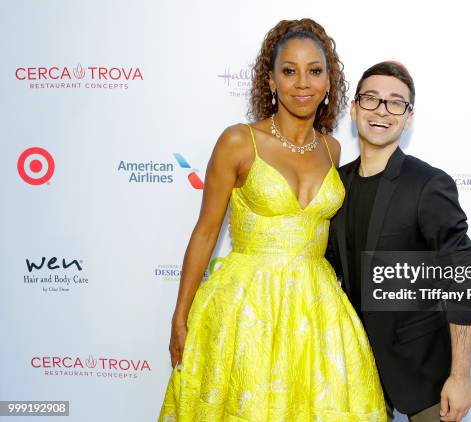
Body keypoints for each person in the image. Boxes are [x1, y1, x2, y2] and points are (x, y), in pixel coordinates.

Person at [158, 19, 386, 421]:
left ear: (329, 81)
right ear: (271, 81)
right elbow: (207, 231)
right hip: (246, 308)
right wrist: (180, 315)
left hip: (316, 312)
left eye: (314, 71)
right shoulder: (238, 141)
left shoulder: (332, 150)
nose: (302, 83)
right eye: (289, 70)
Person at [326, 62, 471, 422]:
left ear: (408, 117)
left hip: (423, 374)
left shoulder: (428, 184)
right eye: (371, 99)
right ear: (353, 109)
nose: (382, 111)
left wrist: (460, 377)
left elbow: (459, 279)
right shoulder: (334, 186)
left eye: (396, 103)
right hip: (353, 371)